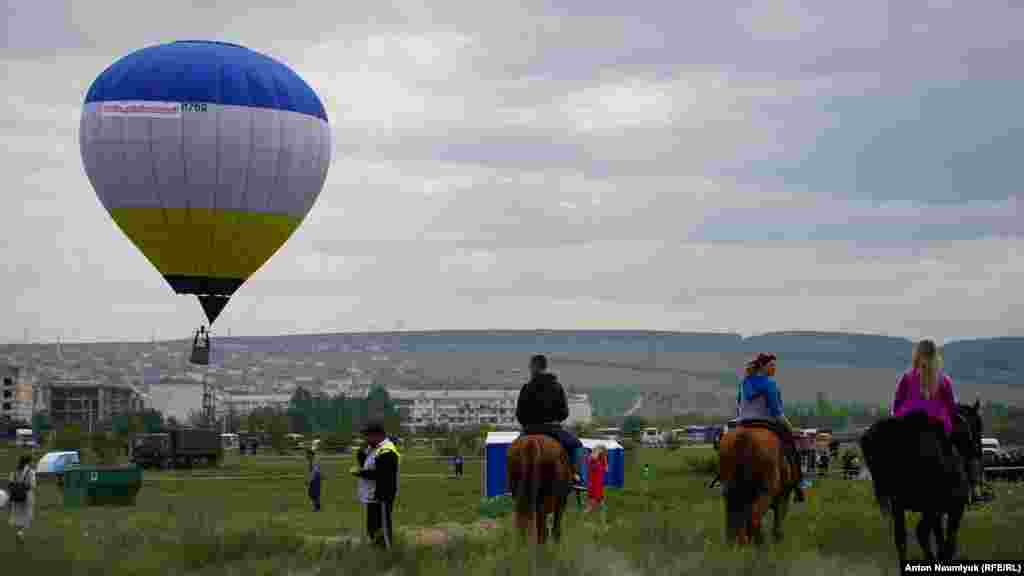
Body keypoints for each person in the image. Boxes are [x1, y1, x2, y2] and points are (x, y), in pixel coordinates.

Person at [735, 352, 806, 502]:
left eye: (775, 366)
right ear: (762, 366)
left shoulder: (744, 382)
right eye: (772, 366)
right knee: (791, 447)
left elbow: (739, 405)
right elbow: (777, 413)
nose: (774, 369)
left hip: (742, 423)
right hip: (765, 423)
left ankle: (723, 479)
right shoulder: (770, 384)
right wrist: (791, 429)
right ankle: (798, 483)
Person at [515, 354, 584, 484]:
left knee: (512, 450)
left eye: (530, 366)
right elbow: (564, 413)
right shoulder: (557, 387)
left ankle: (512, 481)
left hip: (530, 430)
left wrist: (528, 424)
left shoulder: (526, 387)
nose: (530, 369)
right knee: (576, 445)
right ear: (545, 367)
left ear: (535, 367)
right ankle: (576, 475)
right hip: (553, 429)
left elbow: (520, 414)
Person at [891, 339, 959, 471]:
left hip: (907, 423)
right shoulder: (944, 380)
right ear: (935, 356)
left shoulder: (907, 378)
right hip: (938, 425)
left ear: (916, 355)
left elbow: (896, 406)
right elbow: (952, 409)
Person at [351, 421, 400, 549]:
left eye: (367, 436)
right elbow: (365, 462)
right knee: (372, 527)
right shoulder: (375, 448)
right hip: (372, 495)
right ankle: (377, 551)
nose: (365, 439)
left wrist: (360, 473)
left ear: (377, 435)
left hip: (382, 495)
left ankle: (388, 553)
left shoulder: (387, 451)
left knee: (382, 527)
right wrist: (361, 451)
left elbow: (381, 474)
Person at [8, 454, 36, 545]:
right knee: (27, 515)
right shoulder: (31, 472)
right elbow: (32, 485)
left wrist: (16, 487)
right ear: (28, 462)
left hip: (16, 495)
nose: (33, 462)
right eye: (31, 461)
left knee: (18, 514)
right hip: (27, 495)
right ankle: (21, 532)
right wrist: (24, 486)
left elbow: (10, 483)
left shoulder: (14, 471)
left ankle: (19, 532)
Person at [587, 444, 608, 513]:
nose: (598, 451)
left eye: (599, 450)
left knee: (598, 493)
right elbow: (589, 463)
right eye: (596, 450)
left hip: (598, 478)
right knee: (592, 493)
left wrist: (600, 466)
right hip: (592, 478)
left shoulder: (603, 457)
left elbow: (606, 469)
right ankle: (591, 507)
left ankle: (597, 507)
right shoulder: (591, 457)